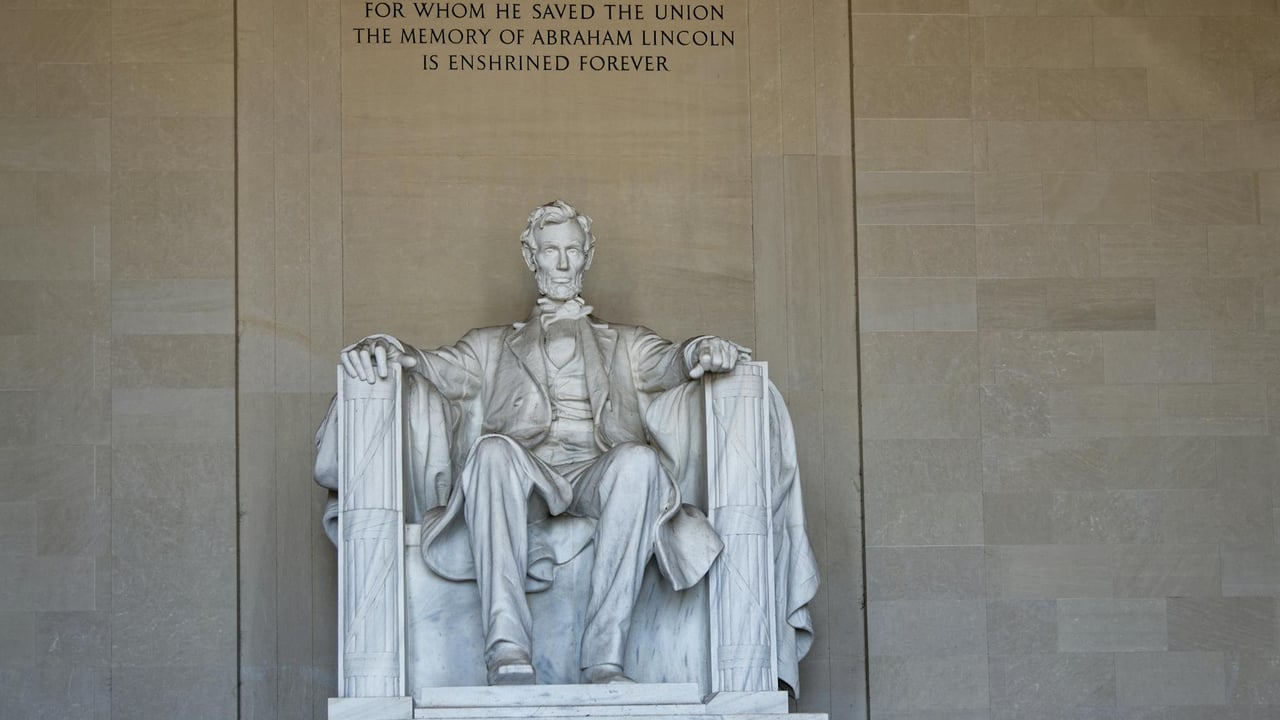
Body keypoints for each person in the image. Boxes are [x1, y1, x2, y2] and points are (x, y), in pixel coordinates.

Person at [337, 200, 750, 686]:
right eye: (549, 250)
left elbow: (672, 361)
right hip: (525, 475)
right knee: (490, 451)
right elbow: (430, 365)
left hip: (597, 473)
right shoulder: (490, 346)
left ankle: (605, 658)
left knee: (639, 462)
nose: (561, 263)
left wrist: (703, 348)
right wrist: (388, 346)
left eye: (572, 250)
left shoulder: (626, 342)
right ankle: (506, 646)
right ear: (531, 257)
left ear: (587, 256)